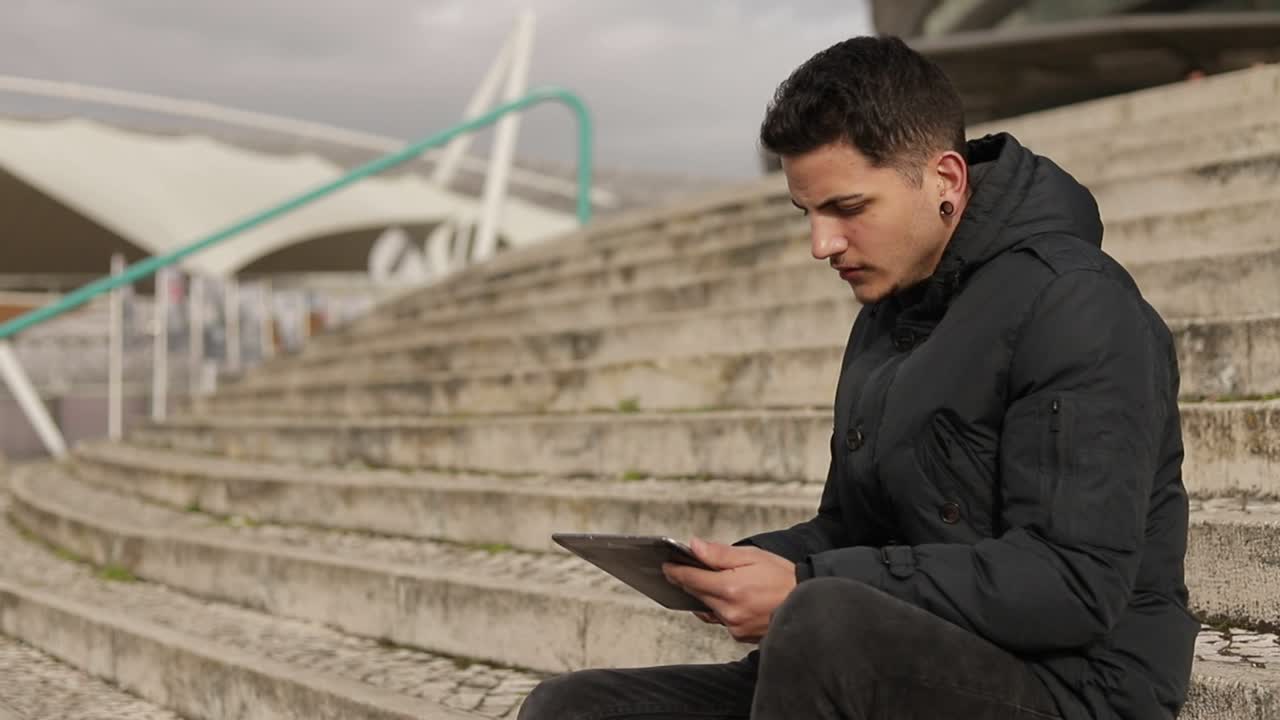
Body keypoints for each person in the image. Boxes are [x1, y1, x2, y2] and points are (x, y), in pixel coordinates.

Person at [519, 35, 1197, 720]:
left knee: (823, 627)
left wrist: (806, 582)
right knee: (573, 707)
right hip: (901, 655)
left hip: (1074, 690)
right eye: (808, 215)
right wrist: (740, 567)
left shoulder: (1078, 305)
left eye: (847, 208)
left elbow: (1073, 583)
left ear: (946, 180)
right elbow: (853, 528)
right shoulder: (888, 312)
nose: (822, 245)